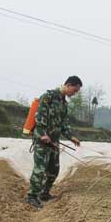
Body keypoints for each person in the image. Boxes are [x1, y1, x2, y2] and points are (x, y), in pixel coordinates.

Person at [26, 76, 82, 208]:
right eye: (74, 90)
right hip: (42, 139)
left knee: (54, 170)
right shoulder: (48, 96)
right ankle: (32, 196)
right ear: (68, 85)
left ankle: (44, 193)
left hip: (54, 141)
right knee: (40, 169)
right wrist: (43, 134)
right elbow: (40, 116)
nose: (73, 94)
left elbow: (63, 123)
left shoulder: (64, 104)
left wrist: (70, 136)